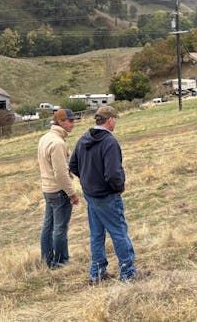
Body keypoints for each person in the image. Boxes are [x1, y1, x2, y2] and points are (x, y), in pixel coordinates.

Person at [69, 106, 140, 283]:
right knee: (119, 232)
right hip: (107, 196)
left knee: (97, 234)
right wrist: (118, 187)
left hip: (91, 195)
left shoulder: (83, 138)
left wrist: (88, 181)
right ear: (109, 120)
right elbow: (113, 174)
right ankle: (128, 272)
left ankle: (97, 273)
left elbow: (73, 165)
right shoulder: (109, 142)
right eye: (115, 118)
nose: (115, 122)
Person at [38, 108, 79, 269]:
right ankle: (61, 262)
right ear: (60, 122)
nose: (73, 124)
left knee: (48, 226)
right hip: (59, 190)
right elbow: (61, 174)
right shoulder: (58, 143)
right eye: (70, 121)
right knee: (60, 229)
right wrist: (72, 193)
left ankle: (47, 260)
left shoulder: (45, 138)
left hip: (48, 189)